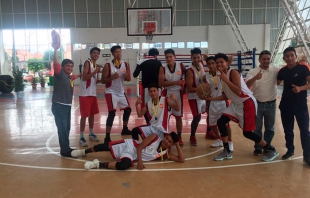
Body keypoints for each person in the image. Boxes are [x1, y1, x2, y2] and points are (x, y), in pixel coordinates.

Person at [206, 53, 279, 162]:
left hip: (247, 103)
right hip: (236, 103)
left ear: (227, 63)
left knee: (247, 133)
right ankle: (227, 151)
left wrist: (225, 80)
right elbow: (227, 95)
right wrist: (210, 99)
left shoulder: (233, 72)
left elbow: (239, 92)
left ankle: (271, 149)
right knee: (221, 121)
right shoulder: (221, 76)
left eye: (221, 62)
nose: (219, 64)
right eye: (217, 63)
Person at [82, 132, 184, 170]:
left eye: (170, 142)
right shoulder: (155, 137)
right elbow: (139, 147)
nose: (166, 141)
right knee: (105, 147)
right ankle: (84, 152)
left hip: (132, 155)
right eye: (167, 138)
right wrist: (140, 161)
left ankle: (98, 164)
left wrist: (177, 145)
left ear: (171, 144)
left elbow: (181, 160)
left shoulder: (165, 153)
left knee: (124, 165)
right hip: (130, 146)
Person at [277, 47, 310, 167]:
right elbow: (274, 82)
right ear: (284, 58)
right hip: (285, 105)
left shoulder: (303, 67)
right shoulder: (282, 71)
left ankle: (307, 156)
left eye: (292, 55)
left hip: (300, 105)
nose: (289, 58)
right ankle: (290, 151)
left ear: (295, 56)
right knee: (288, 130)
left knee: (305, 131)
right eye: (287, 56)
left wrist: (300, 88)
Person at [51, 44, 83, 158]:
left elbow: (75, 77)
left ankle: (66, 147)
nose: (70, 68)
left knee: (67, 128)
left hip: (67, 105)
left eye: (71, 66)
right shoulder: (59, 74)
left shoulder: (69, 77)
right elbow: (56, 64)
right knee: (62, 128)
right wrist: (55, 50)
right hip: (59, 105)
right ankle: (64, 151)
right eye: (67, 66)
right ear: (63, 67)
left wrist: (81, 74)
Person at [245, 50, 278, 156]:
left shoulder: (275, 70)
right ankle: (258, 147)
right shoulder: (253, 71)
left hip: (271, 104)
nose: (266, 61)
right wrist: (256, 78)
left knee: (270, 128)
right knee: (257, 128)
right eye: (264, 59)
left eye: (268, 59)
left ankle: (267, 147)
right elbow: (247, 85)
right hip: (257, 104)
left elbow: (285, 75)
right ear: (259, 60)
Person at [101, 45, 132, 143]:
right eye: (116, 52)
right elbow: (102, 80)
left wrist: (127, 76)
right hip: (111, 91)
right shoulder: (108, 65)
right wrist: (112, 77)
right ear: (112, 54)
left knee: (128, 110)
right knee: (112, 113)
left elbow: (128, 79)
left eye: (120, 51)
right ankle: (107, 136)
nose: (118, 53)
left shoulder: (126, 65)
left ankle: (125, 129)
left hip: (121, 91)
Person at [202, 56, 233, 151]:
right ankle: (219, 139)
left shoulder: (222, 72)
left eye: (213, 63)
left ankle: (230, 141)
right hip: (211, 102)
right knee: (213, 124)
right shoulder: (205, 77)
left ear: (216, 63)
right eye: (209, 64)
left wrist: (216, 58)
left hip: (222, 101)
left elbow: (230, 59)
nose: (211, 65)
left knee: (225, 124)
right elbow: (204, 90)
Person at [158, 49, 185, 145]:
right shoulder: (163, 68)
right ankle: (165, 136)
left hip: (178, 93)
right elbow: (161, 83)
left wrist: (184, 86)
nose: (169, 59)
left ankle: (179, 136)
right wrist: (176, 82)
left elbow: (186, 76)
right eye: (167, 57)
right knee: (166, 117)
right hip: (167, 93)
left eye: (170, 56)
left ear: (175, 57)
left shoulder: (181, 66)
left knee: (178, 117)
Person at [78, 47, 102, 147]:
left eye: (97, 53)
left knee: (92, 114)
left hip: (92, 94)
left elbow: (94, 81)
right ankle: (81, 136)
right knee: (84, 115)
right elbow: (84, 77)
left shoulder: (95, 65)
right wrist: (96, 71)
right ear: (90, 54)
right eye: (94, 53)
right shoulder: (87, 63)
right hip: (85, 94)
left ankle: (91, 133)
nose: (96, 55)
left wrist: (107, 79)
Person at [133, 48, 162, 125]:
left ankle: (148, 123)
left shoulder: (141, 61)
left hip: (147, 89)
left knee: (147, 106)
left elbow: (135, 74)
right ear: (155, 55)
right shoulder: (158, 62)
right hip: (157, 88)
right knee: (158, 105)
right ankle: (158, 123)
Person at [185, 48, 206, 146]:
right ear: (191, 58)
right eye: (194, 58)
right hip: (194, 96)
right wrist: (203, 88)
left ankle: (209, 131)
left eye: (198, 57)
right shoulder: (190, 71)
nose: (196, 59)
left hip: (203, 95)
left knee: (211, 111)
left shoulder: (201, 64)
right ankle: (192, 136)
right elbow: (189, 88)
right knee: (197, 117)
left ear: (201, 57)